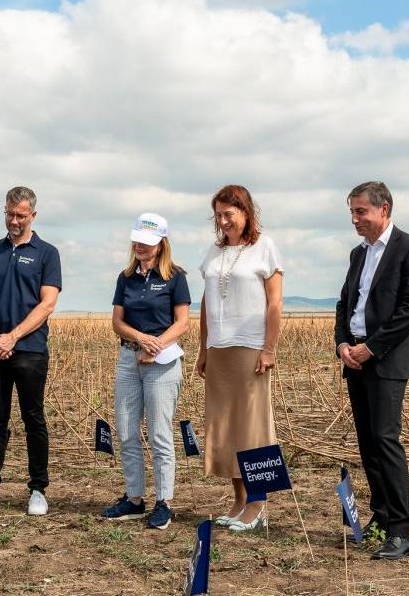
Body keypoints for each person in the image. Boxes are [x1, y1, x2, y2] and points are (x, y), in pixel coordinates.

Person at [335, 181, 409, 560]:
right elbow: (345, 303)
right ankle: (380, 516)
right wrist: (343, 343)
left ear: (384, 209)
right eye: (352, 212)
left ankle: (401, 531)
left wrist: (371, 347)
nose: (355, 219)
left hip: (387, 359)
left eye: (362, 212)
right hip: (354, 358)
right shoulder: (359, 254)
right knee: (368, 442)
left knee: (386, 439)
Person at [0, 186, 62, 516]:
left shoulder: (47, 253)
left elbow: (47, 304)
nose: (14, 221)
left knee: (34, 419)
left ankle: (38, 490)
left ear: (33, 215)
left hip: (30, 350)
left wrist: (13, 337)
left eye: (20, 215)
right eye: (9, 214)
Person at [195, 185, 283, 533]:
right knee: (225, 427)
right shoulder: (213, 251)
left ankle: (258, 501)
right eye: (218, 215)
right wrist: (203, 348)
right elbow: (205, 303)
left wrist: (269, 348)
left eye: (229, 214)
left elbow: (275, 303)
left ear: (246, 212)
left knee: (253, 427)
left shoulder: (264, 247)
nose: (223, 221)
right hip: (219, 349)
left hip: (251, 349)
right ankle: (238, 499)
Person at [101, 213, 191, 529]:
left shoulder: (176, 277)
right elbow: (117, 322)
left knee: (159, 433)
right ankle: (134, 498)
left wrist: (156, 345)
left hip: (162, 363)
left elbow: (182, 322)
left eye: (147, 241)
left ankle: (163, 502)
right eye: (137, 239)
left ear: (161, 244)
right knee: (126, 430)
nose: (140, 245)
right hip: (128, 359)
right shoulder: (125, 278)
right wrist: (139, 339)